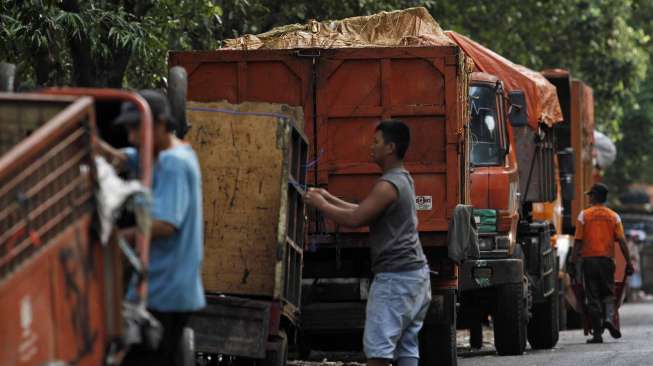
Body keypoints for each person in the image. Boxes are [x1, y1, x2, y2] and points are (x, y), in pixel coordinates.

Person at [304, 120, 431, 366]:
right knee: (406, 348)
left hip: (396, 280)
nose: (371, 147)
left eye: (376, 142)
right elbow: (365, 210)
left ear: (390, 147)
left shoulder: (387, 185)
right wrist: (329, 197)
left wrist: (320, 205)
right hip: (415, 277)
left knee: (379, 352)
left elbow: (356, 218)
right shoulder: (402, 179)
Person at [95, 90, 205, 365]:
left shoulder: (173, 164)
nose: (131, 137)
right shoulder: (158, 155)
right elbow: (122, 159)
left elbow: (166, 224)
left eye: (136, 128)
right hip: (164, 288)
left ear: (158, 124)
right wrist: (93, 145)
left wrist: (117, 239)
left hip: (164, 291)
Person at [571, 183, 633, 344]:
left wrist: (573, 262)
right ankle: (608, 319)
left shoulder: (584, 216)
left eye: (590, 195)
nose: (589, 197)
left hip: (589, 261)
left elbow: (578, 242)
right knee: (608, 294)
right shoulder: (614, 216)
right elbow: (622, 242)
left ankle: (597, 335)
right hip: (606, 261)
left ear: (594, 197)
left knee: (593, 297)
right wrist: (629, 262)